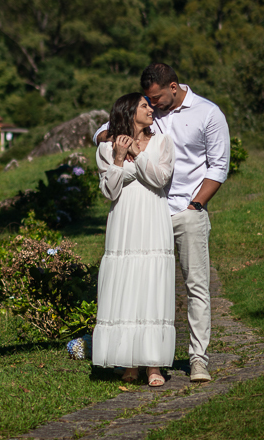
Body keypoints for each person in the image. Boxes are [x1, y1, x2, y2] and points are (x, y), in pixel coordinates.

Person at [94, 62, 229, 384]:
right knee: (142, 283)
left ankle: (198, 359)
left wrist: (196, 204)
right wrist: (120, 140)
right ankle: (137, 357)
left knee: (196, 287)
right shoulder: (147, 112)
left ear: (174, 86)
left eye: (156, 98)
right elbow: (102, 131)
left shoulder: (208, 114)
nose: (152, 104)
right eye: (147, 100)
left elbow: (219, 165)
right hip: (143, 214)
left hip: (185, 211)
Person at [92, 92, 175, 387]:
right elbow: (109, 191)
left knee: (152, 285)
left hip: (153, 218)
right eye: (144, 106)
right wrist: (117, 158)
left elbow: (161, 178)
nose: (150, 109)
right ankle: (128, 362)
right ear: (129, 112)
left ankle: (154, 365)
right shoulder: (105, 148)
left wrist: (137, 156)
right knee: (125, 284)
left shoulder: (163, 142)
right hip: (124, 221)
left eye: (149, 105)